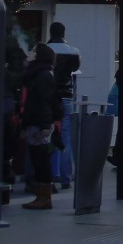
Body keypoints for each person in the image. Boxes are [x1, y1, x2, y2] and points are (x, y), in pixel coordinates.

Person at [20, 42, 59, 210]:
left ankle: (44, 196)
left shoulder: (41, 75)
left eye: (34, 50)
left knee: (40, 159)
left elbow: (44, 101)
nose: (30, 52)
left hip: (39, 123)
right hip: (37, 121)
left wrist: (44, 125)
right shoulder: (40, 74)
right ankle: (42, 195)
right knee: (39, 158)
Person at [48, 21, 80, 189]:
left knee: (50, 136)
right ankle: (67, 176)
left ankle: (53, 174)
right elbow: (75, 69)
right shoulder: (73, 52)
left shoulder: (45, 50)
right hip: (66, 97)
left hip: (49, 98)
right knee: (66, 137)